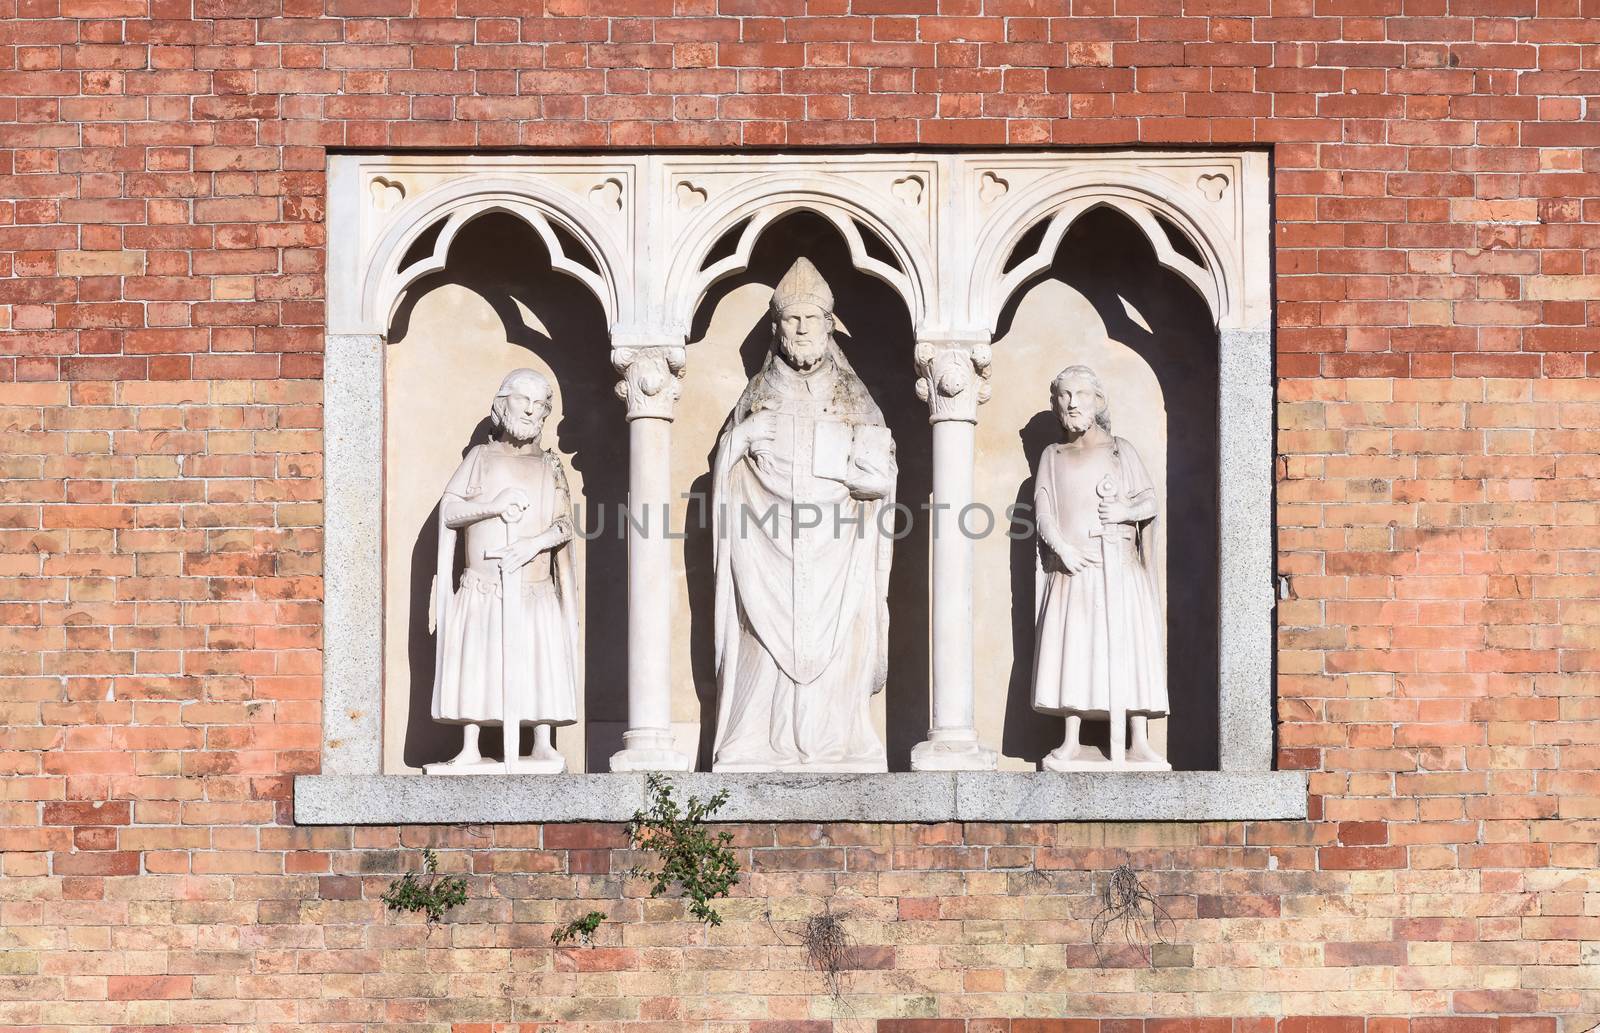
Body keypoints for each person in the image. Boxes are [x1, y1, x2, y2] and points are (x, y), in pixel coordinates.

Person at [710, 257, 895, 771]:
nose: (801, 329)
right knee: (761, 642)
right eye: (791, 320)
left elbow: (882, 473)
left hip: (840, 545)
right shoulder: (756, 398)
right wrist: (740, 440)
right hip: (765, 548)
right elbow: (725, 474)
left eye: (811, 319)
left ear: (829, 325)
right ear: (777, 328)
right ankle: (754, 742)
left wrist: (871, 481)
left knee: (842, 641)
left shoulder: (855, 400)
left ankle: (839, 741)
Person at [429, 368, 579, 773]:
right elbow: (450, 512)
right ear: (502, 403)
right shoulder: (480, 458)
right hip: (483, 588)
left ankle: (543, 740)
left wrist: (532, 544)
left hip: (533, 586)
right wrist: (493, 506)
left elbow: (566, 525)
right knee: (478, 661)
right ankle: (471, 743)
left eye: (539, 405)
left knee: (537, 661)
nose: (530, 411)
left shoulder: (550, 465)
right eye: (522, 400)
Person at [1032, 364, 1168, 769]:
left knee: (1130, 646)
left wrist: (1125, 509)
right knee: (1075, 648)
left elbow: (1149, 502)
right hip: (1076, 568)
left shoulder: (1120, 451)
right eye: (1064, 395)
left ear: (1098, 401)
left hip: (1120, 566)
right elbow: (1043, 511)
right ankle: (1071, 739)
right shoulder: (1052, 456)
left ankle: (1139, 739)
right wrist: (1064, 549)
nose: (1072, 403)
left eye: (1081, 395)